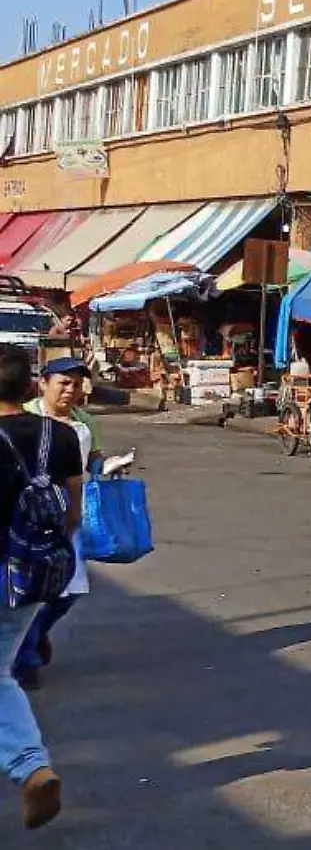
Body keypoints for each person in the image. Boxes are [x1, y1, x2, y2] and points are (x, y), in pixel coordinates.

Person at [0, 345, 84, 829]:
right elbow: (73, 510)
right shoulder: (62, 436)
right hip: (36, 572)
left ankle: (29, 765)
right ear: (31, 387)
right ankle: (28, 766)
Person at [16, 359, 98, 689]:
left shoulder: (84, 423)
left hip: (67, 515)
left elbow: (90, 463)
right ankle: (27, 660)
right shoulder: (22, 418)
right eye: (64, 383)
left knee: (68, 590)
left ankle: (35, 637)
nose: (70, 390)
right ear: (44, 383)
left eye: (76, 385)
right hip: (26, 513)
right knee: (30, 588)